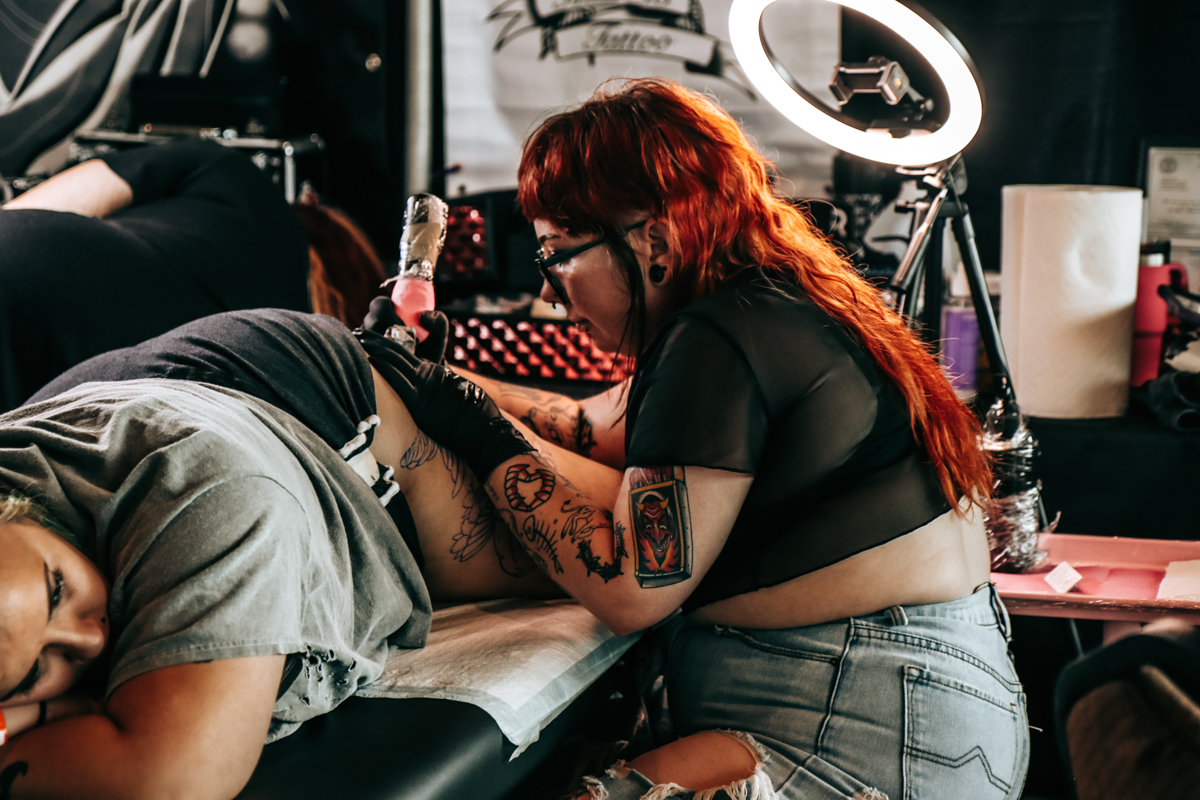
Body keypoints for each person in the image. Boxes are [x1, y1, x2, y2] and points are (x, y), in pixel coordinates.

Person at [386, 78, 1030, 800]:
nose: (547, 293)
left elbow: (631, 590)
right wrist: (435, 376)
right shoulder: (770, 302)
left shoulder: (717, 337)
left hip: (861, 726)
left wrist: (476, 428)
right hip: (917, 711)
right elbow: (595, 426)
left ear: (655, 241)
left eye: (556, 256)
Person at [0, 308, 616, 799]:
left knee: (640, 558)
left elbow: (170, 778)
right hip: (220, 380)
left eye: (58, 588)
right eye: (32, 672)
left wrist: (27, 716)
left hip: (346, 420)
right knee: (604, 424)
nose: (90, 638)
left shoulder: (207, 498)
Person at [0, 138, 386, 413]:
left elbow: (80, 191)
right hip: (56, 396)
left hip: (19, 264)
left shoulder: (242, 181)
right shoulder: (288, 381)